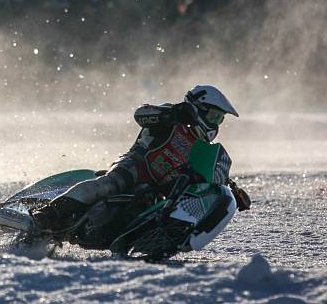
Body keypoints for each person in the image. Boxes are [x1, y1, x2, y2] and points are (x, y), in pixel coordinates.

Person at [28, 85, 251, 237]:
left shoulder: (203, 148)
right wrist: (174, 114)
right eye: (213, 116)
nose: (216, 123)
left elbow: (210, 172)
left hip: (159, 189)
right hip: (135, 167)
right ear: (197, 108)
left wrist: (231, 190)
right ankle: (48, 214)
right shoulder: (172, 117)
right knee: (108, 184)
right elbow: (141, 114)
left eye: (220, 119)